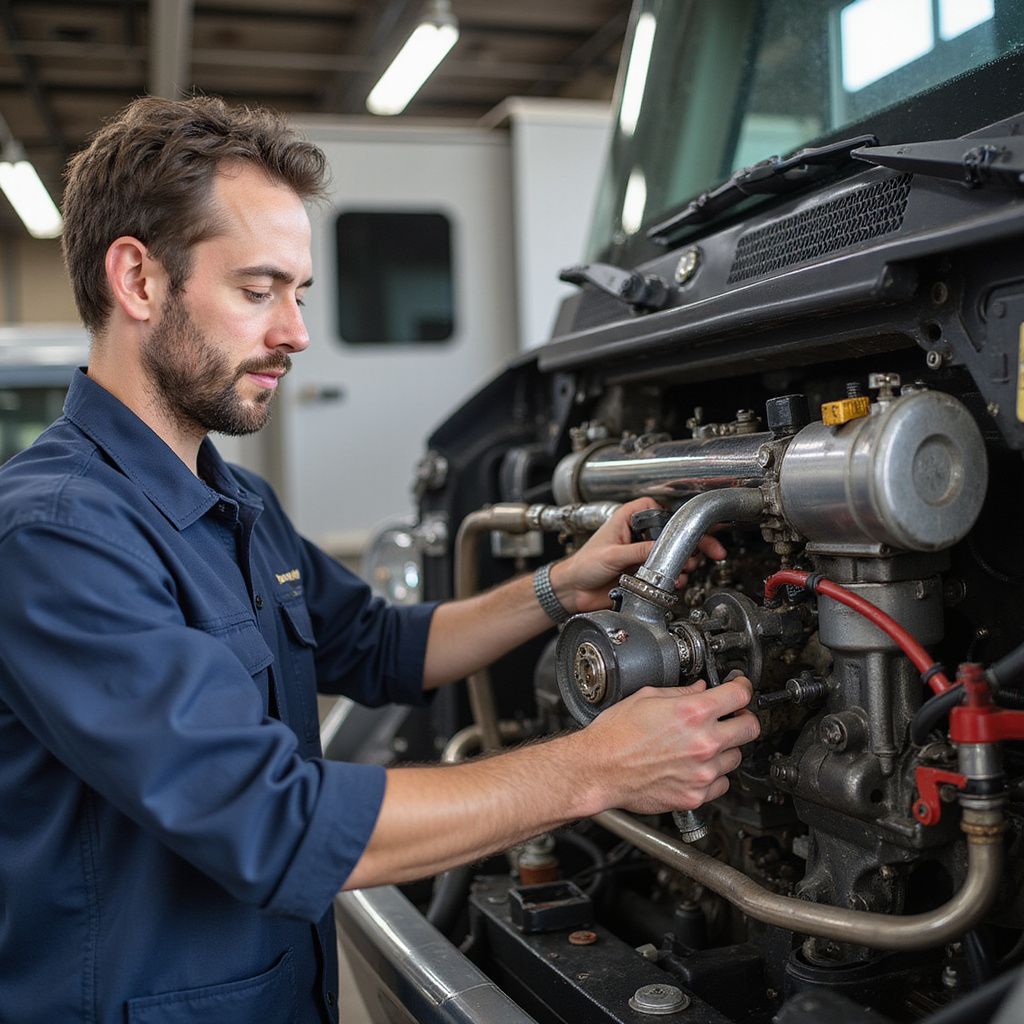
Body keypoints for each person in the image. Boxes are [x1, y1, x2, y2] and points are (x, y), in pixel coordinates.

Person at [0, 96, 759, 1024]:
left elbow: (383, 646)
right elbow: (270, 823)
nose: (296, 333)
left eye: (300, 294)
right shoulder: (56, 538)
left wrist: (560, 587)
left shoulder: (232, 501)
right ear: (139, 280)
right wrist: (596, 767)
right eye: (257, 290)